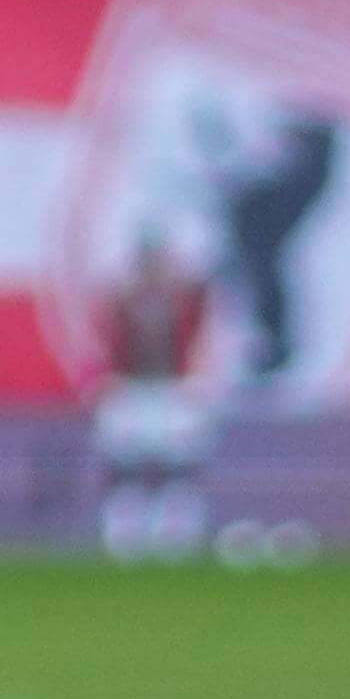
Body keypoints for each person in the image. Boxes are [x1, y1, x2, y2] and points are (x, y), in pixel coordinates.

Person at [91, 235, 212, 561]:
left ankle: (176, 534)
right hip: (133, 387)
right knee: (125, 464)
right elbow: (114, 341)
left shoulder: (182, 298)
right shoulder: (125, 299)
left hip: (172, 388)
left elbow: (198, 318)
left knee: (179, 464)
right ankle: (124, 534)